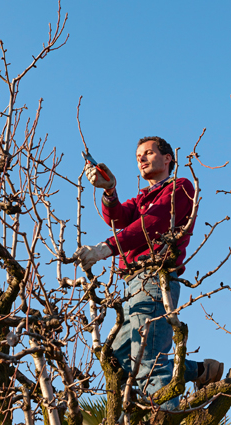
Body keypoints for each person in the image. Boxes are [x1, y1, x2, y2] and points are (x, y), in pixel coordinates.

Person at [75, 137, 223, 409]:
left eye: (148, 153)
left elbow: (153, 223)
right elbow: (118, 218)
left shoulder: (181, 187)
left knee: (149, 363)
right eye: (138, 156)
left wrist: (105, 249)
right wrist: (109, 190)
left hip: (155, 279)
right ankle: (202, 371)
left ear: (168, 158)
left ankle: (167, 415)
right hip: (132, 284)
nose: (141, 159)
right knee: (117, 359)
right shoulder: (142, 199)